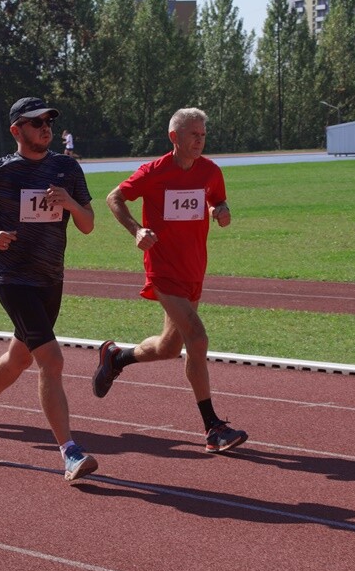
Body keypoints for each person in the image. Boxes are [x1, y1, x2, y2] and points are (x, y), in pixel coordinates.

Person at [0, 96, 99, 481]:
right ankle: (70, 452)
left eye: (49, 121)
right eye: (36, 123)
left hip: (51, 279)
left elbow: (87, 224)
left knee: (20, 357)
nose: (45, 128)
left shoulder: (66, 168)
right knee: (51, 361)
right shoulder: (0, 172)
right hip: (14, 279)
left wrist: (70, 201)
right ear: (16, 130)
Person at [93, 107, 248, 454]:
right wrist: (137, 230)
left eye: (203, 134)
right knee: (197, 336)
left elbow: (217, 201)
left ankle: (116, 357)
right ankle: (213, 427)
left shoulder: (210, 171)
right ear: (174, 137)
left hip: (194, 269)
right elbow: (113, 197)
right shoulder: (154, 172)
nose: (200, 140)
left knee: (168, 347)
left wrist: (220, 212)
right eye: (193, 134)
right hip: (163, 270)